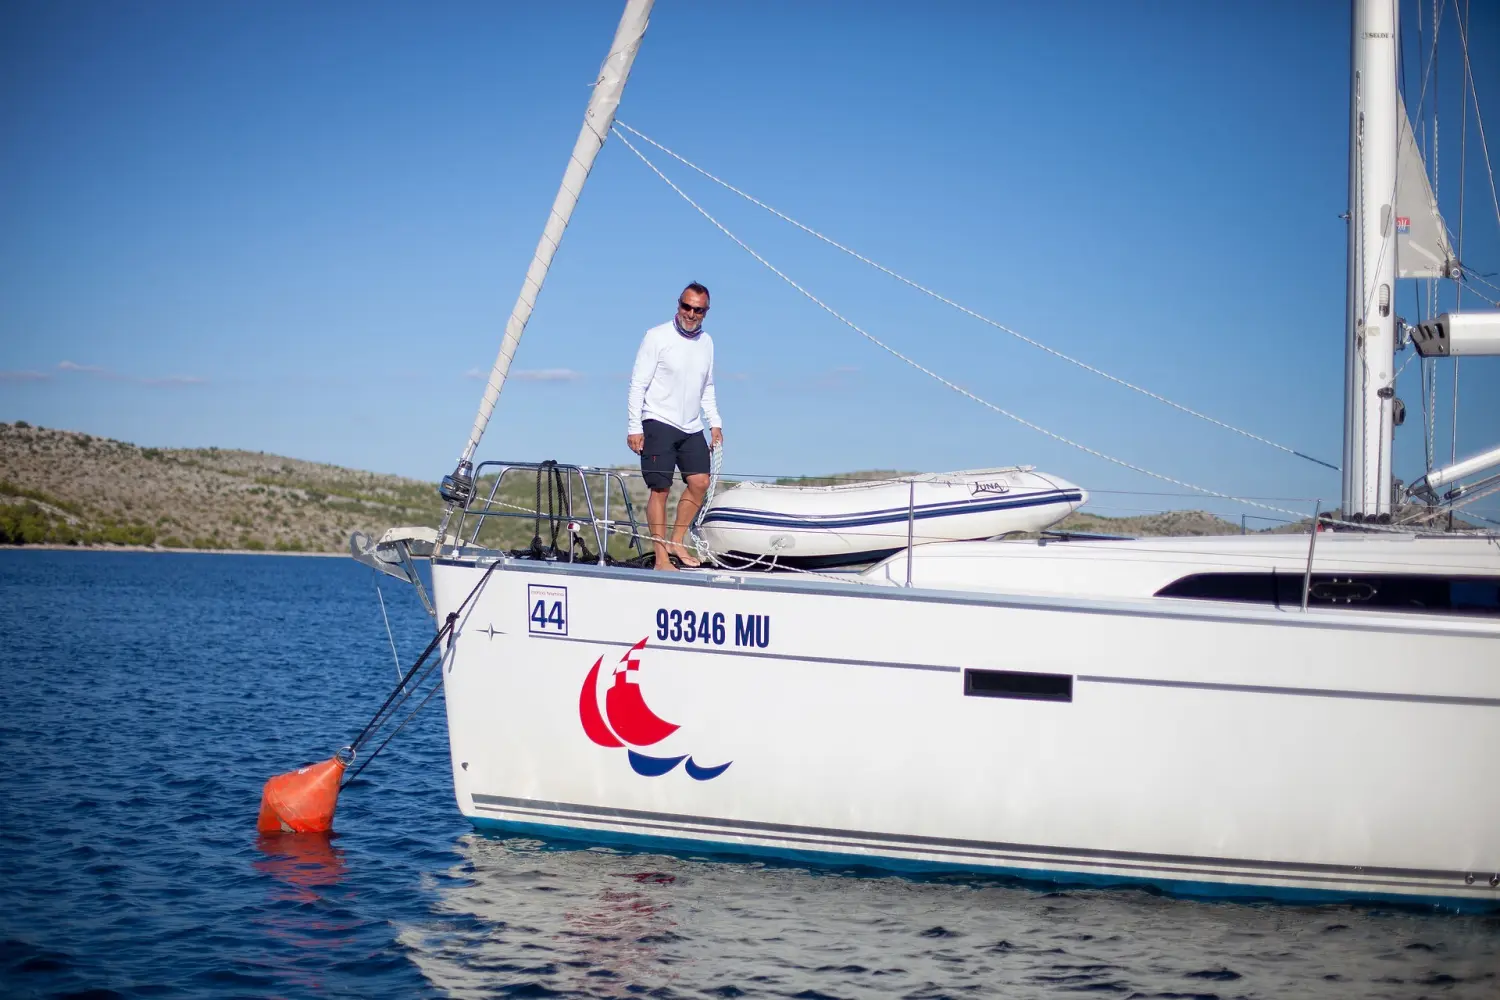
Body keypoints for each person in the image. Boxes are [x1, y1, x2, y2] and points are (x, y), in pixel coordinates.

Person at [626, 282, 723, 570]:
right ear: (678, 304)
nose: (691, 314)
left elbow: (708, 385)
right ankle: (660, 558)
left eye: (698, 310)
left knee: (700, 482)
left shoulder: (707, 342)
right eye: (686, 306)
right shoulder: (656, 336)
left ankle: (676, 542)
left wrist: (714, 422)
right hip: (658, 420)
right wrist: (634, 426)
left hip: (691, 425)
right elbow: (637, 384)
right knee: (661, 489)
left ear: (706, 312)